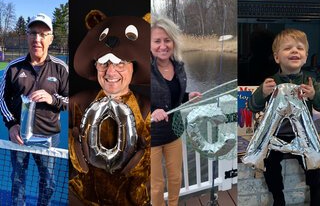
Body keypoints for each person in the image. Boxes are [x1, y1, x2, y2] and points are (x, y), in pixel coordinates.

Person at [69, 14, 150, 205]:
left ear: (133, 67)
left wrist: (143, 158)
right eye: (104, 63)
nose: (111, 72)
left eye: (120, 63)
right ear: (95, 66)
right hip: (83, 198)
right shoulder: (78, 103)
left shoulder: (147, 109)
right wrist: (71, 142)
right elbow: (53, 125)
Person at [0, 13, 68, 206]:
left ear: (51, 39)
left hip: (49, 137)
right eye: (33, 33)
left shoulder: (61, 68)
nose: (37, 39)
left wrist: (52, 99)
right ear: (27, 36)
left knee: (49, 182)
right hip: (20, 138)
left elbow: (71, 99)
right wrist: (12, 125)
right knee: (17, 180)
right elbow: (1, 98)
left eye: (43, 34)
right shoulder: (13, 68)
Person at [249, 29, 320, 205]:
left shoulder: (311, 83)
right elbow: (252, 106)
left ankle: (316, 195)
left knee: (314, 162)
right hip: (276, 134)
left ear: (305, 57)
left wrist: (313, 95)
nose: (295, 51)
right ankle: (278, 198)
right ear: (277, 57)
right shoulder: (270, 82)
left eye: (299, 48)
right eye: (288, 48)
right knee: (268, 162)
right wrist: (262, 93)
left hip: (303, 134)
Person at [150, 17, 201, 206]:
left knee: (175, 178)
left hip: (174, 131)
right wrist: (152, 111)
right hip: (152, 137)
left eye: (167, 40)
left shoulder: (179, 66)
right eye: (157, 41)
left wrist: (188, 96)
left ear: (173, 42)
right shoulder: (143, 69)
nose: (163, 46)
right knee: (156, 185)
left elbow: (173, 97)